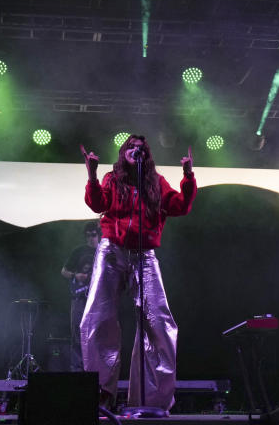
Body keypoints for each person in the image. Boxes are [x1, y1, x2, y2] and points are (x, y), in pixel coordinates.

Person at [80, 135, 196, 412]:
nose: (136, 151)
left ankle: (151, 400)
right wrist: (93, 175)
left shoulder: (156, 182)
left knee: (159, 324)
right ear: (123, 153)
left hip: (144, 255)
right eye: (131, 147)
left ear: (147, 155)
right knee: (98, 319)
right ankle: (100, 395)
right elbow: (97, 204)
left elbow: (180, 206)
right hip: (112, 251)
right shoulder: (112, 178)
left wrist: (188, 176)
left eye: (141, 148)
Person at [61, 220, 101, 371]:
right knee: (77, 333)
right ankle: (77, 369)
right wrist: (76, 276)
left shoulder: (103, 252)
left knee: (96, 334)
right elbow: (63, 271)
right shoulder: (78, 251)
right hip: (79, 297)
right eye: (88, 235)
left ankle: (95, 369)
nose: (91, 238)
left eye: (93, 235)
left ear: (99, 235)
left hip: (97, 299)